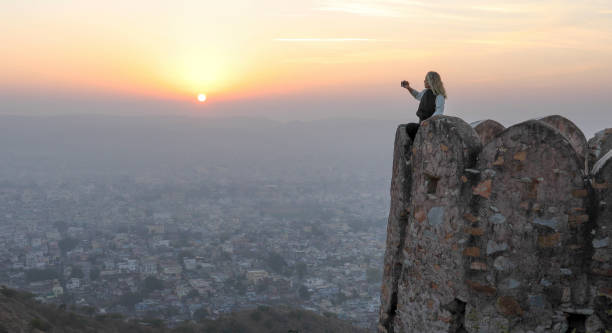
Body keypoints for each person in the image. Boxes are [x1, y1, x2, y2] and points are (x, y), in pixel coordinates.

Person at [401, 71, 447, 140]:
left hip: (431, 125)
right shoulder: (426, 92)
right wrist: (408, 88)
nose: (424, 81)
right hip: (422, 123)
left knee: (410, 127)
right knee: (409, 128)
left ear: (431, 81)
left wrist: (427, 121)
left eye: (426, 79)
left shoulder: (439, 96)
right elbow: (417, 95)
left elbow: (439, 112)